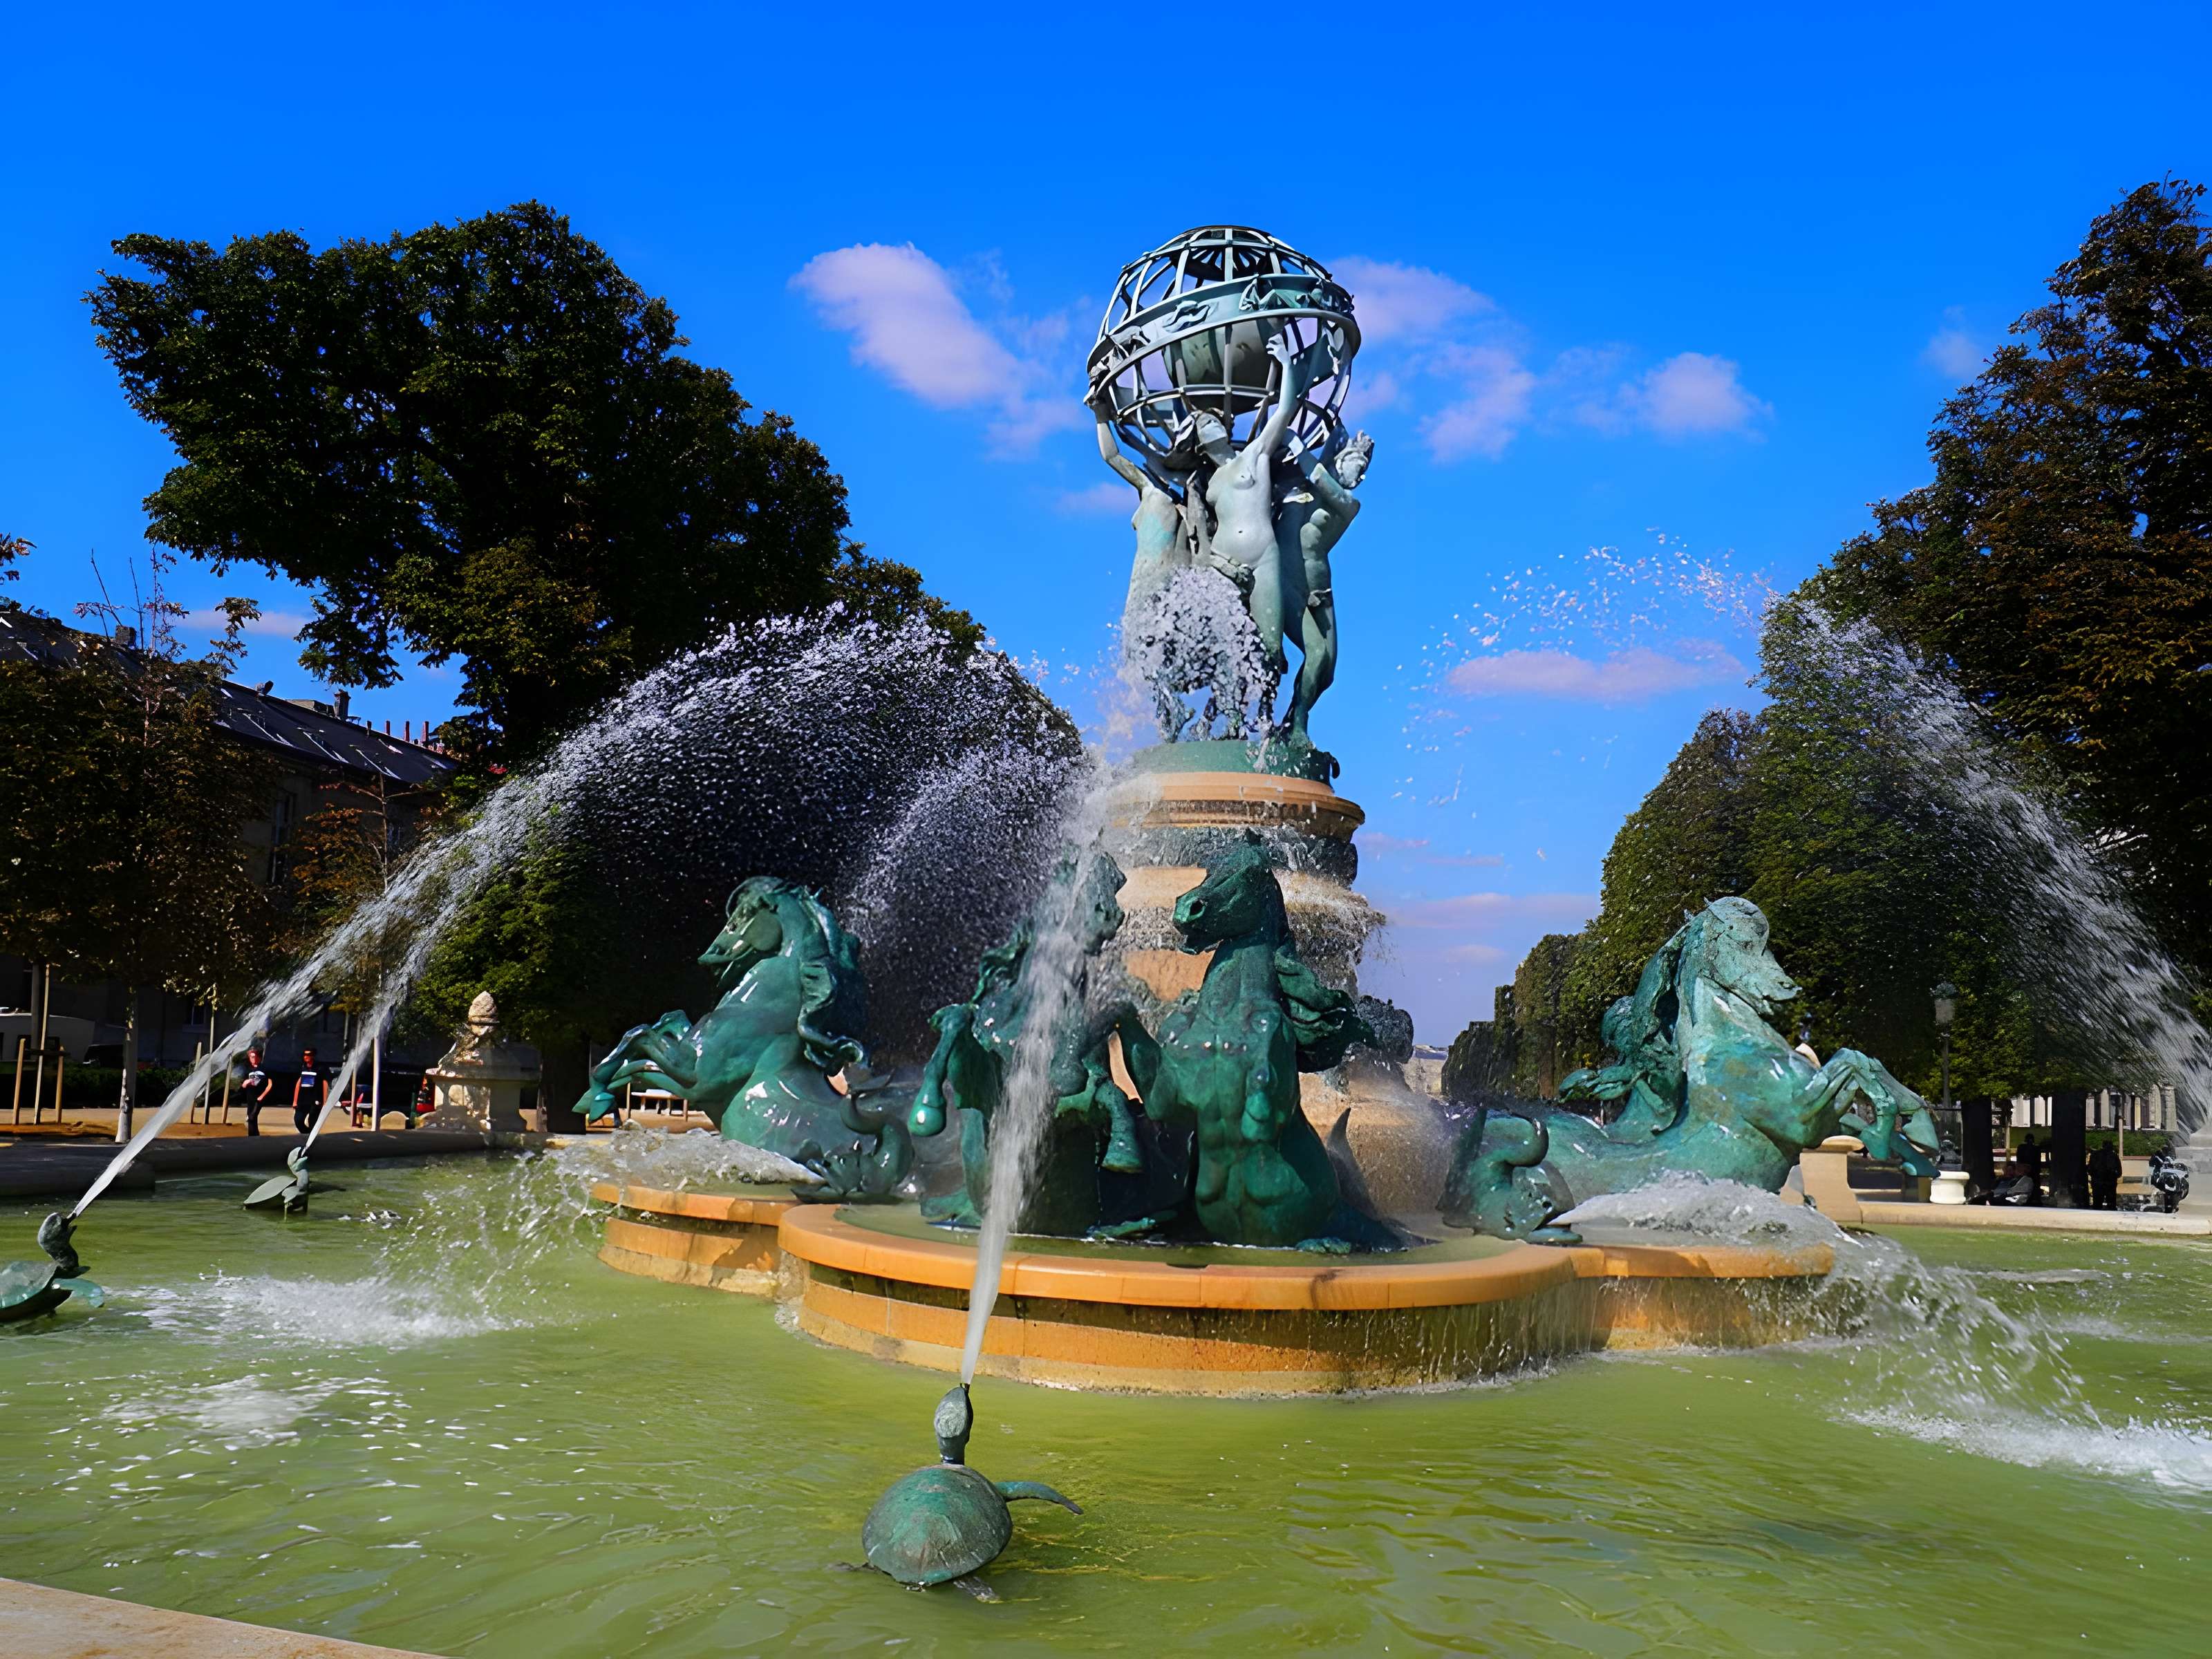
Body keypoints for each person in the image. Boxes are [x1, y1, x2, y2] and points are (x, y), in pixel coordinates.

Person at [1274, 427, 1373, 740]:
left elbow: (1319, 474)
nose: (1359, 477)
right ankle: (1299, 726)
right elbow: (1317, 469)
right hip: (1287, 585)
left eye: (1364, 472)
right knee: (1316, 655)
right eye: (1357, 465)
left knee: (1327, 672)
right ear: (1340, 462)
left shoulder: (1348, 503)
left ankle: (1290, 718)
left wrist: (1296, 443)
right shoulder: (1298, 491)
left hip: (1321, 592)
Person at [238, 1046, 274, 1138]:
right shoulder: (248, 1070)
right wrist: (245, 1083)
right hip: (250, 1096)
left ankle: (254, 1137)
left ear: (259, 1057)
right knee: (251, 1119)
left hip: (260, 1097)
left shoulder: (264, 1069)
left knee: (252, 1117)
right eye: (251, 1057)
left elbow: (270, 1084)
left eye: (254, 1057)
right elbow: (243, 1084)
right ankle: (253, 1137)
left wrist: (263, 1095)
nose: (252, 1059)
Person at [292, 1047, 326, 1136]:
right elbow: (298, 1083)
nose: (306, 1056)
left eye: (309, 1055)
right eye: (305, 1054)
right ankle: (307, 1134)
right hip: (303, 1099)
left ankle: (311, 1138)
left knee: (313, 1121)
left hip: (315, 1099)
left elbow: (325, 1083)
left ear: (313, 1056)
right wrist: (295, 1101)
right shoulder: (302, 1067)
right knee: (298, 1120)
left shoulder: (320, 1068)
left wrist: (325, 1101)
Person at [2088, 1138, 2123, 1210]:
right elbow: (2119, 1172)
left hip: (2098, 1182)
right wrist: (2114, 1176)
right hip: (2110, 1183)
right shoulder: (2114, 1156)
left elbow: (2090, 1169)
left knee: (2097, 1204)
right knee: (2111, 1204)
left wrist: (2094, 1176)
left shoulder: (2095, 1155)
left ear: (2103, 1146)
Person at [2018, 1132, 2044, 1203]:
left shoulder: (2022, 1147)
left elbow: (2038, 1161)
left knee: (2033, 1183)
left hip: (2030, 1170)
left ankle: (2034, 1198)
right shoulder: (2024, 1148)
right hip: (2028, 1170)